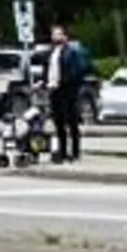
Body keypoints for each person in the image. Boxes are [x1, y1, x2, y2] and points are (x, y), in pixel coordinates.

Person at [45, 25, 93, 162]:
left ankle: (75, 152)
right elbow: (49, 70)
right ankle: (63, 151)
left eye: (59, 34)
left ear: (65, 36)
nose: (56, 37)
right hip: (54, 90)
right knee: (58, 122)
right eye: (54, 34)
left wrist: (64, 82)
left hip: (68, 91)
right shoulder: (52, 52)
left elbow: (76, 71)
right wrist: (45, 82)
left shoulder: (71, 52)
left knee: (71, 122)